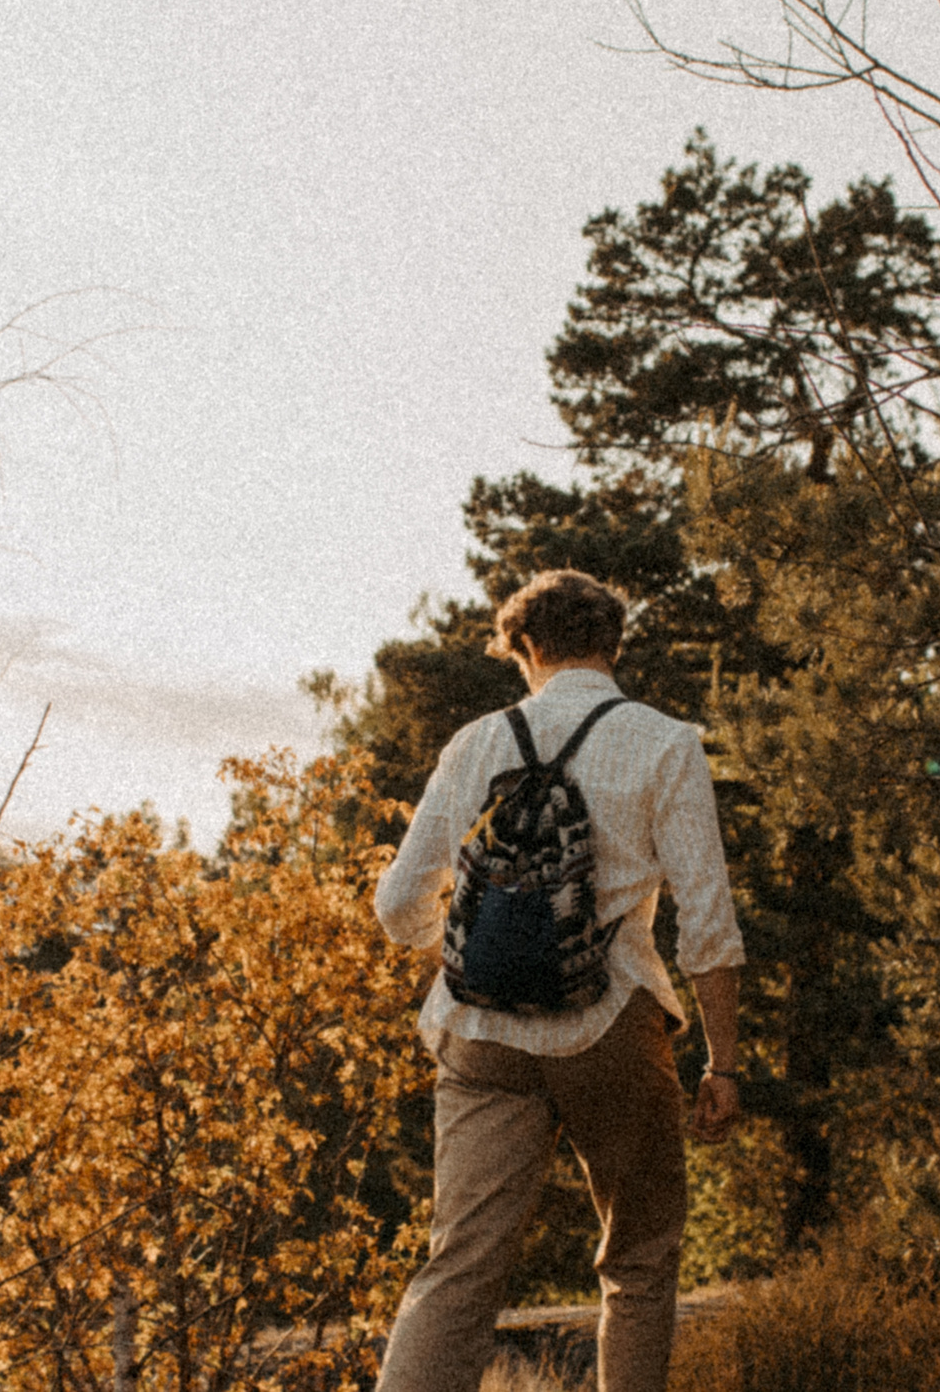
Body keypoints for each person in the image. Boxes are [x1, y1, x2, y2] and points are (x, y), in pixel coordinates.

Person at [371, 568, 743, 1392]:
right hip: (611, 1024)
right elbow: (708, 922)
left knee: (458, 1266)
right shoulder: (665, 741)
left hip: (479, 1035)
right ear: (613, 645)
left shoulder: (480, 739)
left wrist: (472, 956)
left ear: (524, 649)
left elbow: (399, 903)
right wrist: (723, 1061)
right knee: (640, 1257)